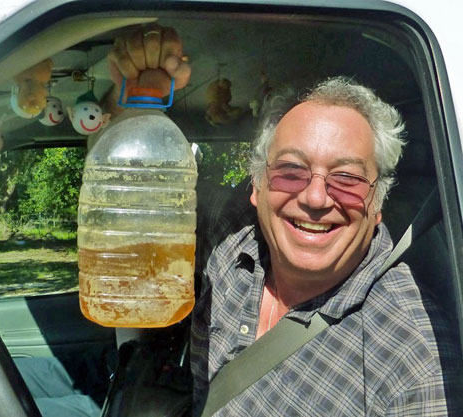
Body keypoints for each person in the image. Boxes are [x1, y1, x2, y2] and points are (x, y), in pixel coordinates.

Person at [107, 25, 463, 416]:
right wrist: (139, 93)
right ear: (257, 185)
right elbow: (138, 197)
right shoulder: (232, 232)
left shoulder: (413, 360)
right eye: (291, 170)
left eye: (346, 177)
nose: (314, 198)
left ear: (377, 201)